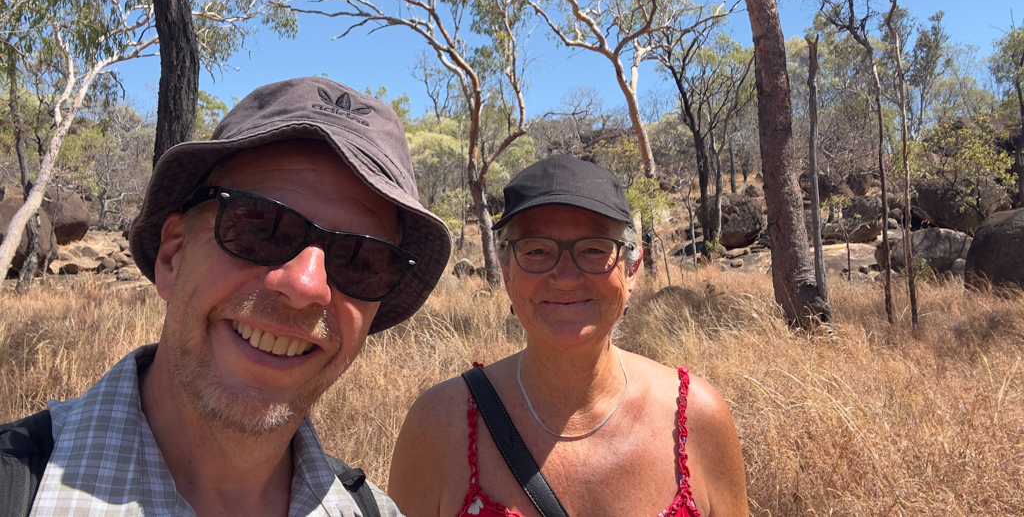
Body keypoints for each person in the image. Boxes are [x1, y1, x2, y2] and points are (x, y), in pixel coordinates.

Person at [3, 78, 451, 517]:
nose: (305, 286)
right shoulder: (16, 489)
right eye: (262, 228)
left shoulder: (374, 511)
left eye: (361, 259)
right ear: (173, 256)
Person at [388, 154, 748, 517]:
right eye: (537, 250)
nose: (565, 275)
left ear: (632, 268)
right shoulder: (438, 426)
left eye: (593, 249)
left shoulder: (696, 416)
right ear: (507, 271)